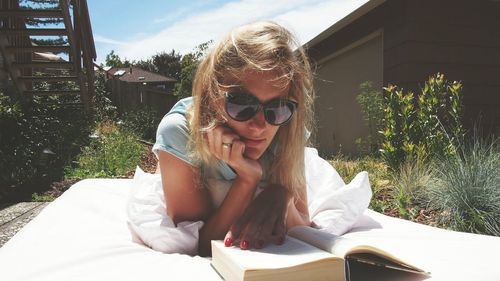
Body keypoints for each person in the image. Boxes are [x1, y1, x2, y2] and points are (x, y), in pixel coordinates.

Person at [131, 21, 315, 257]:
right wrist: (248, 178)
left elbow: (304, 226)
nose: (260, 126)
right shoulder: (179, 133)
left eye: (277, 107)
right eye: (242, 104)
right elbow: (199, 245)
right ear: (211, 98)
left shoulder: (287, 128)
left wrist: (283, 195)